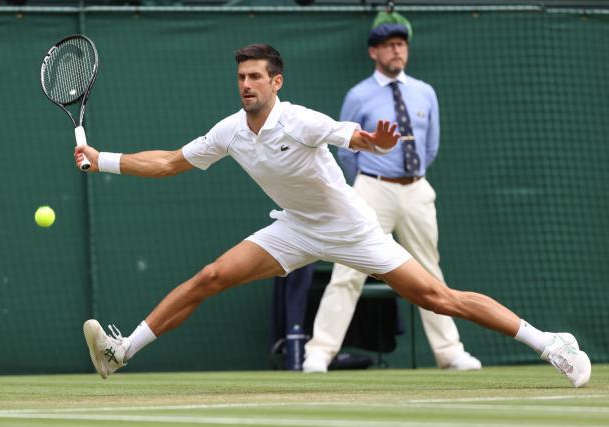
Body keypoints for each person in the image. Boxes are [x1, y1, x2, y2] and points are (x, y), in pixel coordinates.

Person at [76, 43, 591, 388]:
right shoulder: (230, 130)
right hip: (295, 228)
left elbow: (353, 135)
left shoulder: (300, 120)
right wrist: (104, 161)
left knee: (439, 297)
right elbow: (169, 162)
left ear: (276, 82)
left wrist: (374, 140)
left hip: (351, 228)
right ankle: (121, 352)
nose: (246, 84)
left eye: (256, 76)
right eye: (241, 77)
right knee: (210, 277)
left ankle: (549, 344)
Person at [303, 19, 481, 373]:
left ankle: (449, 352)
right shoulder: (358, 95)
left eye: (401, 43)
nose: (397, 49)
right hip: (371, 188)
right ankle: (319, 354)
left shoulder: (425, 92)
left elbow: (430, 146)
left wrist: (410, 179)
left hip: (416, 188)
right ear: (374, 51)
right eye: (388, 44)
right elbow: (346, 149)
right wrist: (367, 185)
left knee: (429, 273)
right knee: (348, 271)